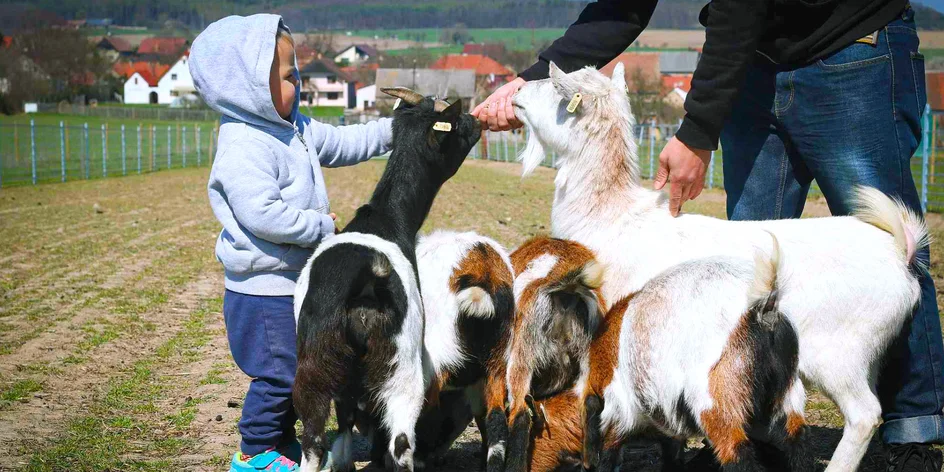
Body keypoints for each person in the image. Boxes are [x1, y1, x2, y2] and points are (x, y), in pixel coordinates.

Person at [475, 1, 944, 469]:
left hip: (850, 44)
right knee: (741, 278)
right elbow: (621, 7)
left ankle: (915, 431)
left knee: (890, 247)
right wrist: (530, 80)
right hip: (753, 64)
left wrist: (698, 130)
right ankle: (749, 436)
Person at [190, 14, 393, 472]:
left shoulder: (293, 128)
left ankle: (279, 444)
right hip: (262, 290)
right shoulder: (244, 144)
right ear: (250, 85)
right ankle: (254, 451)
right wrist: (318, 226)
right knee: (281, 373)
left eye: (297, 72)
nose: (298, 82)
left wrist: (391, 133)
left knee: (297, 369)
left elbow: (342, 142)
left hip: (291, 284)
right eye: (288, 75)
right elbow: (261, 214)